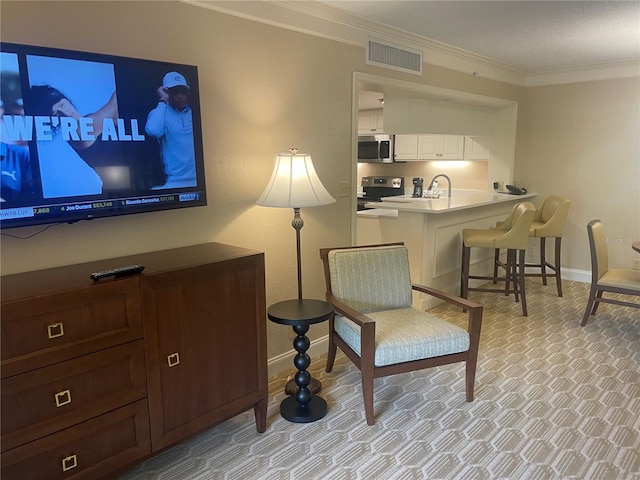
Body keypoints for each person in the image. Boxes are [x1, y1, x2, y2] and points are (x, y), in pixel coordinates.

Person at [29, 85, 118, 198]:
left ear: (66, 99)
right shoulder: (78, 132)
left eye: (62, 105)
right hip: (118, 194)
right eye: (56, 114)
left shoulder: (88, 119)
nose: (65, 113)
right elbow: (115, 103)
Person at [145, 71, 196, 189]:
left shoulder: (194, 114)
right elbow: (153, 130)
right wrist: (163, 100)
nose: (180, 96)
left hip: (200, 181)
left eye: (183, 91)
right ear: (167, 92)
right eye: (175, 92)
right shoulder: (160, 112)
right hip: (174, 182)